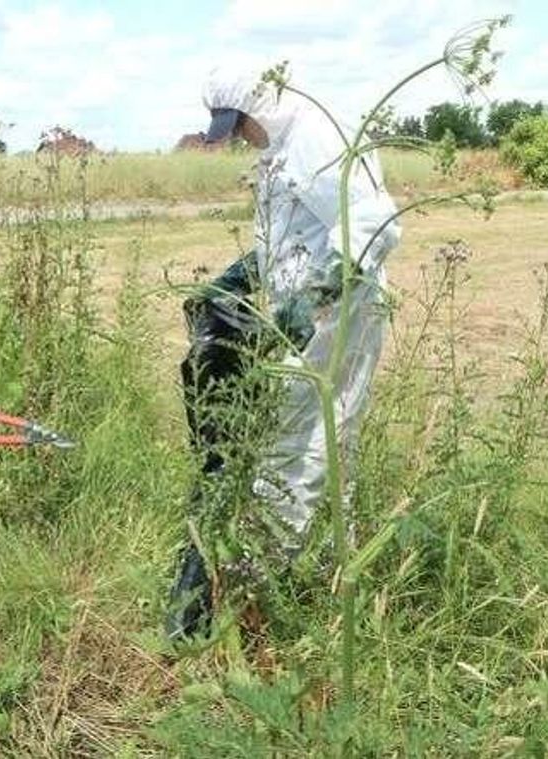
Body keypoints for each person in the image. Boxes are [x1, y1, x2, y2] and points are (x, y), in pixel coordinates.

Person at [167, 66, 402, 639]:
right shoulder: (280, 145)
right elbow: (289, 237)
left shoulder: (317, 137)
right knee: (330, 438)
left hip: (339, 310)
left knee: (294, 443)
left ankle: (252, 578)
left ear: (259, 107)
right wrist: (239, 276)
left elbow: (375, 223)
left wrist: (318, 296)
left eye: (240, 123)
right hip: (306, 309)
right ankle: (325, 563)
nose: (241, 134)